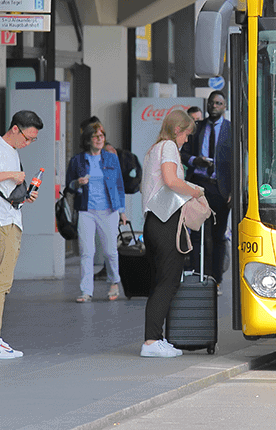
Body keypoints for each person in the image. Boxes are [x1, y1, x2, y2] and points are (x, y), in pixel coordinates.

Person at [0, 110, 43, 359]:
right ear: (15, 129)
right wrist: (12, 175)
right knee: (0, 281)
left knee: (4, 281)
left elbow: (1, 187)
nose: (28, 143)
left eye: (33, 140)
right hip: (0, 221)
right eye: (27, 137)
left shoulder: (11, 152)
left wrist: (25, 196)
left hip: (11, 218)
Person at [139, 108, 204, 357]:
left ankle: (156, 337)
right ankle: (151, 342)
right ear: (177, 129)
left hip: (153, 222)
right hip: (166, 222)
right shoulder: (168, 147)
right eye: (186, 134)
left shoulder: (153, 149)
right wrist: (194, 191)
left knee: (160, 282)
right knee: (168, 282)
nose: (187, 139)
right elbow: (170, 180)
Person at [67, 121, 127, 302]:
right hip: (86, 210)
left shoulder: (111, 158)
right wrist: (77, 183)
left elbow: (119, 186)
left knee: (110, 251)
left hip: (109, 210)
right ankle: (86, 291)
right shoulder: (77, 161)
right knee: (87, 251)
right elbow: (68, 187)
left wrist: (122, 211)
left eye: (102, 135)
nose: (100, 139)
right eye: (96, 136)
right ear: (87, 139)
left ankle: (114, 281)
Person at [181, 91, 232, 288]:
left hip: (221, 189)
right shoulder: (197, 128)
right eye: (211, 103)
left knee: (218, 236)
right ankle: (196, 275)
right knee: (195, 234)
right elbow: (184, 153)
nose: (214, 106)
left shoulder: (231, 129)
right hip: (199, 186)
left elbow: (238, 161)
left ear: (224, 106)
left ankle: (216, 280)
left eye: (218, 103)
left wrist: (233, 191)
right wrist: (196, 161)